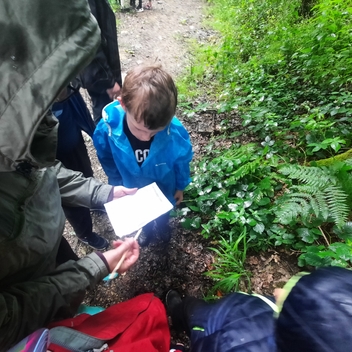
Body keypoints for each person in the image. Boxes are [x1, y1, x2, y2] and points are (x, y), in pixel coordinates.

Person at [0, 0, 140, 350]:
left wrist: (105, 194)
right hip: (27, 320)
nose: (62, 97)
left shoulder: (16, 138)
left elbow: (39, 174)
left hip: (46, 250)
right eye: (53, 90)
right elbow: (8, 316)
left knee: (70, 291)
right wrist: (95, 267)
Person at [93, 65, 193, 247]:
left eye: (155, 132)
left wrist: (180, 186)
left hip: (163, 186)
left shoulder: (175, 132)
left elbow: (182, 159)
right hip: (131, 187)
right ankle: (146, 231)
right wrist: (115, 181)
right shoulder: (107, 130)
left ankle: (163, 227)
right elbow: (105, 156)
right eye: (140, 130)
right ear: (123, 104)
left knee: (162, 213)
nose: (146, 137)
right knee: (143, 217)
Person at [165, 266, 352, 352]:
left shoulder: (232, 343)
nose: (278, 291)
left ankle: (177, 315)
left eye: (287, 301)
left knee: (193, 310)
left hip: (215, 327)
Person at [52, 85, 109, 250]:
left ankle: (91, 201)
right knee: (70, 198)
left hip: (73, 139)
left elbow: (73, 100)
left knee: (85, 173)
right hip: (52, 156)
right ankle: (84, 233)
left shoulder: (64, 87)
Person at [77, 0, 123, 124]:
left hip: (99, 72)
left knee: (105, 109)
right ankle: (104, 141)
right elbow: (88, 42)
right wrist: (108, 81)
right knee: (105, 113)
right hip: (99, 75)